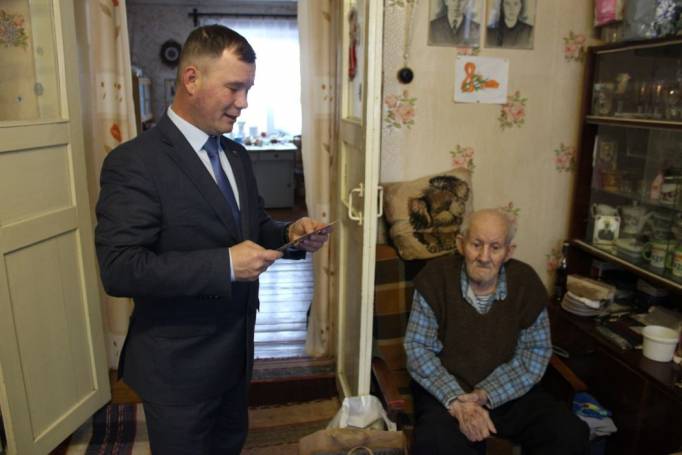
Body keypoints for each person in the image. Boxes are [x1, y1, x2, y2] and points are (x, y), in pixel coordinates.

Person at [95, 25, 330, 454]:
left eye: (248, 89)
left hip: (236, 355)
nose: (244, 103)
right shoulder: (134, 162)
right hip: (179, 367)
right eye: (234, 88)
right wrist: (224, 265)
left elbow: (253, 227)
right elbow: (120, 269)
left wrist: (290, 234)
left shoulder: (236, 154)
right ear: (191, 79)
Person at [404, 209, 589, 454]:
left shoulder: (526, 283)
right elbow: (418, 349)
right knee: (438, 442)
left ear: (509, 252)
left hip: (507, 392)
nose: (484, 257)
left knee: (568, 432)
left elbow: (534, 353)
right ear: (461, 244)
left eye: (495, 247)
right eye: (476, 244)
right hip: (445, 393)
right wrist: (458, 401)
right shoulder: (435, 279)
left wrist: (485, 394)